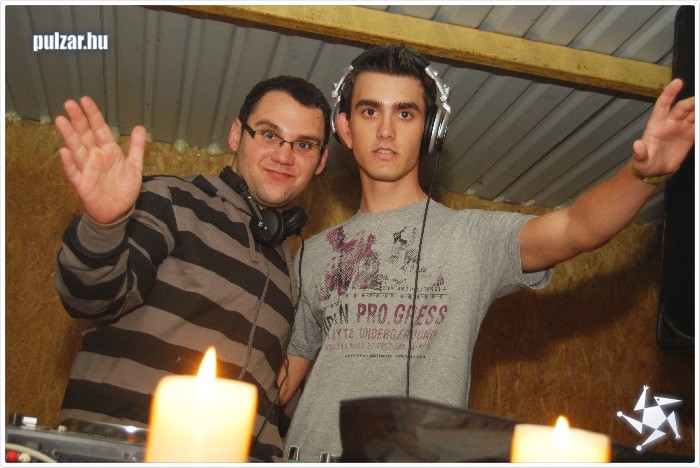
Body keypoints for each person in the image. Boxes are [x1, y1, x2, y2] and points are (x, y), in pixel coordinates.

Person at [277, 45, 696, 462]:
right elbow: (283, 378)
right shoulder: (314, 254)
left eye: (405, 114)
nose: (386, 130)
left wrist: (642, 176)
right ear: (346, 128)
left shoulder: (473, 238)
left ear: (430, 130)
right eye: (370, 111)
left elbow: (576, 227)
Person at [53, 75, 330, 461]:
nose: (285, 156)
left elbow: (272, 401)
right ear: (237, 134)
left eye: (304, 144)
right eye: (269, 135)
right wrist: (103, 226)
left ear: (321, 161)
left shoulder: (291, 272)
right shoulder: (170, 200)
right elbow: (88, 296)